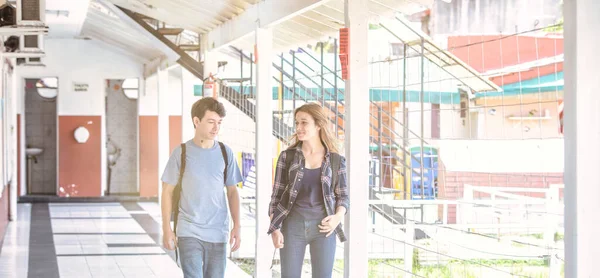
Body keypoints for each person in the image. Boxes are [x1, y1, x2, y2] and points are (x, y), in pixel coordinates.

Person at [161, 97, 243, 278]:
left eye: (219, 123)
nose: (216, 128)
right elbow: (167, 192)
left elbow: (232, 192)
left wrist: (237, 226)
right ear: (196, 121)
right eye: (211, 122)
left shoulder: (225, 152)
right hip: (188, 229)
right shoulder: (181, 153)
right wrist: (167, 228)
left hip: (218, 231)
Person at [268, 103, 349, 278]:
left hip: (324, 228)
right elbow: (276, 196)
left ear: (318, 125)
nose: (298, 127)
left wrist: (337, 217)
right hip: (292, 226)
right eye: (297, 123)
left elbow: (343, 196)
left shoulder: (335, 160)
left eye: (304, 122)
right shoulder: (287, 157)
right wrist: (275, 228)